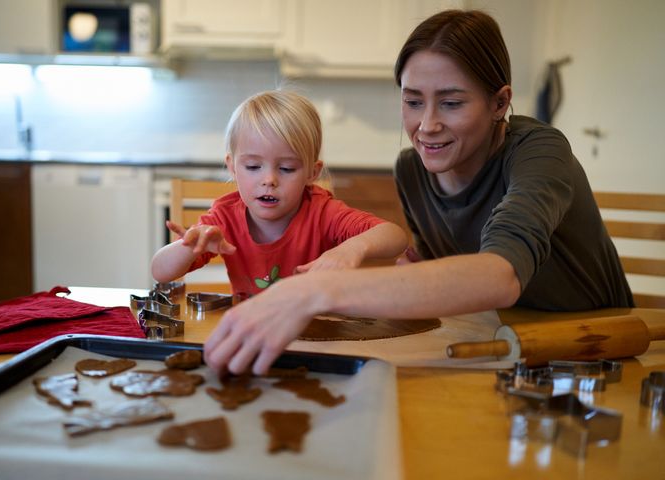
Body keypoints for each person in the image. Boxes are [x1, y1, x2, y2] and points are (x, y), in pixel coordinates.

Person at [203, 9, 634, 376]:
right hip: (499, 343)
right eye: (412, 102)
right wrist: (417, 271)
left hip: (596, 350)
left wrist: (314, 291)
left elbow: (499, 276)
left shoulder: (541, 153)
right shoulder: (412, 169)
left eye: (451, 103)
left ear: (500, 103)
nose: (426, 126)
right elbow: (445, 281)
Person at [151, 90, 408, 298]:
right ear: (232, 167)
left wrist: (352, 249)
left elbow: (395, 237)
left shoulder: (322, 213)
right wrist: (191, 247)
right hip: (252, 333)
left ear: (312, 172)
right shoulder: (223, 218)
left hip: (316, 335)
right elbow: (160, 271)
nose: (269, 180)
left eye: (286, 168)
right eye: (253, 167)